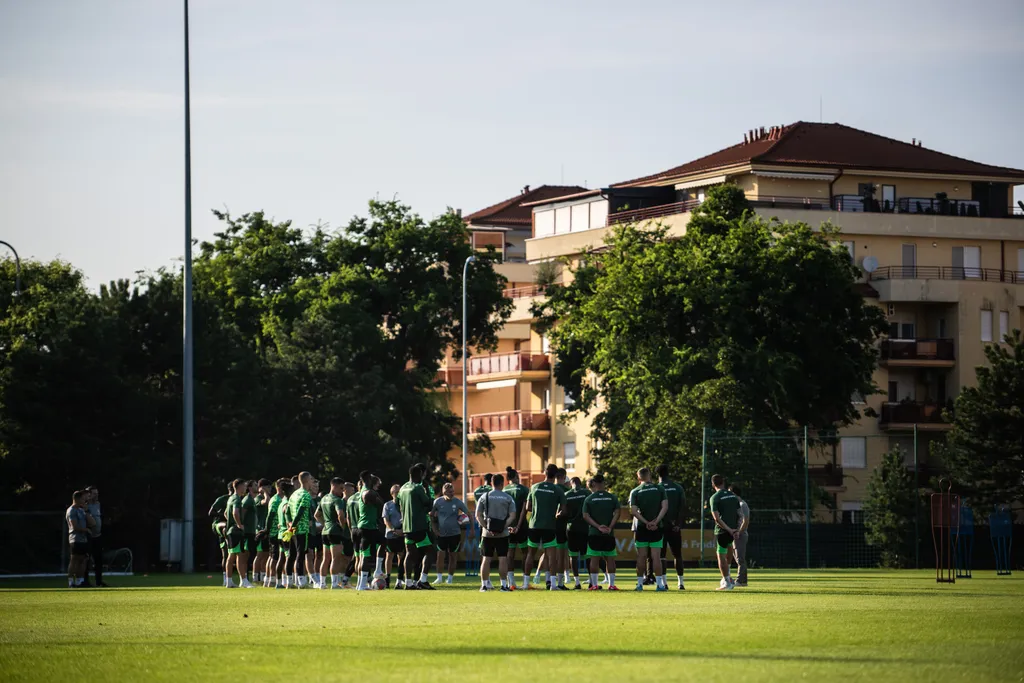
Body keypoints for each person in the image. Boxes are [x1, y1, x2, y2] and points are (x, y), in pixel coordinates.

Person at [522, 463, 566, 590]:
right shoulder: (558, 490)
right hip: (550, 526)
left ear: (545, 473)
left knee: (530, 554)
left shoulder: (534, 487)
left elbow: (527, 507)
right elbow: (563, 510)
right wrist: (555, 514)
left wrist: (537, 510)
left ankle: (525, 583)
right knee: (552, 555)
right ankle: (552, 584)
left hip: (534, 525)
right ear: (556, 475)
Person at [629, 467, 668, 592]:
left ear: (639, 477)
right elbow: (665, 507)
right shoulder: (660, 488)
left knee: (641, 556)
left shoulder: (635, 491)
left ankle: (640, 584)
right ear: (650, 475)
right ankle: (660, 585)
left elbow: (634, 511)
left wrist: (646, 522)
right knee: (656, 557)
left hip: (642, 527)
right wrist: (655, 521)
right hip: (657, 527)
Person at [475, 473, 517, 592]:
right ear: (502, 483)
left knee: (486, 558)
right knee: (503, 558)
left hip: (487, 534)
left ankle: (484, 585)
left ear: (491, 483)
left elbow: (478, 515)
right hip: (503, 533)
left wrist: (487, 528)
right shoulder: (508, 497)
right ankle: (504, 585)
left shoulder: (484, 496)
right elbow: (513, 516)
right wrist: (503, 526)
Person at [397, 463, 434, 590]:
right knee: (430, 551)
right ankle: (422, 580)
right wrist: (428, 490)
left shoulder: (402, 488)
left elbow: (397, 504)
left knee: (409, 553)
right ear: (418, 475)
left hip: (406, 527)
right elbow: (428, 504)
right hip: (418, 526)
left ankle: (408, 583)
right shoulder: (418, 488)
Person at [582, 475, 620, 590]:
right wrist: (609, 527)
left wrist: (598, 526)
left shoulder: (589, 499)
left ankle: (594, 585)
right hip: (609, 533)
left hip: (594, 533)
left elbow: (585, 516)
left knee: (594, 559)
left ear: (593, 483)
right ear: (604, 482)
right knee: (610, 559)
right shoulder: (612, 497)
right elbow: (617, 513)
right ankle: (611, 585)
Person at [431, 482, 469, 585]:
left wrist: (467, 524)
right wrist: (434, 529)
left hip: (455, 534)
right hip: (442, 534)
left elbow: (468, 514)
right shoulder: (437, 502)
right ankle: (439, 578)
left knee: (453, 556)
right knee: (440, 556)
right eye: (449, 492)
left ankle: (450, 579)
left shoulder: (458, 502)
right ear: (444, 492)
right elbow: (431, 516)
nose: (451, 494)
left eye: (452, 491)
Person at [709, 474, 741, 591]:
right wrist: (736, 529)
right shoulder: (733, 496)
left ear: (713, 484)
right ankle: (727, 578)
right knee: (729, 551)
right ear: (723, 482)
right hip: (732, 531)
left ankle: (727, 582)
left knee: (720, 555)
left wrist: (728, 529)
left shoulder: (714, 497)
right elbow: (740, 515)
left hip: (722, 531)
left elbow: (717, 518)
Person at [657, 464, 686, 590]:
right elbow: (683, 507)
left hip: (661, 526)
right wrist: (678, 524)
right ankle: (681, 583)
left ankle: (664, 583)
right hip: (675, 527)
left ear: (657, 474)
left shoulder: (656, 488)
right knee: (677, 555)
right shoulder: (678, 487)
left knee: (661, 556)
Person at [354, 471, 385, 590]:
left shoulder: (365, 491)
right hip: (367, 528)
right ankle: (371, 576)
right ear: (368, 480)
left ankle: (361, 584)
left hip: (365, 527)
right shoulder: (368, 493)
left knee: (364, 555)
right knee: (366, 556)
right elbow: (381, 505)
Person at [318, 477, 348, 589]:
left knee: (326, 558)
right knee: (336, 558)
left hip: (325, 532)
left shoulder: (324, 498)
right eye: (341, 488)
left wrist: (325, 524)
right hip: (334, 532)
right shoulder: (337, 500)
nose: (342, 491)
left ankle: (322, 583)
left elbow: (317, 515)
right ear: (334, 486)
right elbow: (340, 514)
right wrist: (342, 526)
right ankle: (334, 584)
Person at [503, 467, 529, 591]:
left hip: (508, 526)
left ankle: (511, 582)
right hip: (521, 526)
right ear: (516, 476)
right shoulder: (524, 489)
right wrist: (518, 526)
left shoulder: (504, 491)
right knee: (525, 552)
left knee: (510, 553)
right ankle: (525, 582)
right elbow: (525, 509)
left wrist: (508, 526)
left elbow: (503, 511)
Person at [287, 471, 314, 588]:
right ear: (307, 480)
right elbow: (300, 512)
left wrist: (289, 525)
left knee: (291, 555)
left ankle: (288, 581)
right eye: (312, 479)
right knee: (300, 555)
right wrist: (293, 526)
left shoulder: (294, 494)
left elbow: (287, 511)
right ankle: (302, 582)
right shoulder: (306, 495)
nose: (313, 482)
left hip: (292, 529)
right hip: (301, 529)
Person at [224, 479, 253, 588]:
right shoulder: (237, 499)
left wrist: (230, 522)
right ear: (239, 486)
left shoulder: (230, 498)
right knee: (240, 556)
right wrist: (239, 524)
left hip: (230, 530)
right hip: (236, 531)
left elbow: (226, 513)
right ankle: (243, 581)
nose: (245, 488)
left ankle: (229, 581)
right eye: (244, 486)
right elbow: (234, 512)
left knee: (231, 556)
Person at [563, 477, 590, 589]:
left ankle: (577, 582)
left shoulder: (566, 495)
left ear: (571, 483)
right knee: (587, 555)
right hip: (584, 527)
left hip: (571, 528)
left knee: (573, 556)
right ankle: (592, 582)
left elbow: (563, 511)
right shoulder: (586, 493)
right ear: (580, 483)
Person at [382, 484, 405, 590]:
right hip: (390, 535)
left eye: (399, 492)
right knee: (389, 556)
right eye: (396, 492)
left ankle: (399, 580)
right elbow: (386, 520)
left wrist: (402, 530)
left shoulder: (404, 504)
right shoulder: (387, 505)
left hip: (402, 534)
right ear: (392, 494)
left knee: (401, 556)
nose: (398, 494)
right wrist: (394, 530)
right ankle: (387, 578)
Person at [209, 484, 232, 587]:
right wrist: (222, 515)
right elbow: (211, 512)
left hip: (233, 527)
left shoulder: (240, 499)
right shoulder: (223, 499)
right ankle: (225, 579)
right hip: (219, 525)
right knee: (226, 553)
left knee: (233, 555)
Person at [84, 486, 108, 587]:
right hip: (88, 537)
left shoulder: (98, 504)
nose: (96, 495)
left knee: (99, 560)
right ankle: (85, 582)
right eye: (94, 493)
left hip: (98, 537)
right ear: (88, 494)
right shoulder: (84, 506)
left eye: (97, 493)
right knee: (86, 560)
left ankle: (99, 582)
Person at [66, 490, 90, 588]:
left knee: (83, 560)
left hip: (83, 539)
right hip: (75, 539)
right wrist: (86, 530)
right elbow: (74, 526)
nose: (84, 500)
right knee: (74, 560)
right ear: (77, 499)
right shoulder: (71, 510)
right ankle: (71, 582)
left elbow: (93, 523)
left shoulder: (81, 510)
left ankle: (80, 581)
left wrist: (86, 511)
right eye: (83, 498)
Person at [263, 479, 284, 587]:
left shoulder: (278, 499)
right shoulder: (276, 500)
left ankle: (268, 580)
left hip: (276, 532)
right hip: (275, 532)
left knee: (272, 557)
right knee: (275, 557)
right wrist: (267, 529)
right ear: (279, 487)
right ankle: (271, 580)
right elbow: (270, 516)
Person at [274, 479, 295, 588]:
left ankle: (278, 583)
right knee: (289, 558)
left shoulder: (281, 502)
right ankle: (289, 583)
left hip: (280, 533)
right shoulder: (287, 503)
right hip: (287, 534)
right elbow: (288, 522)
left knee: (281, 558)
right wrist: (292, 533)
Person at [253, 479, 272, 586]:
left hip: (266, 529)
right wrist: (264, 492)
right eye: (268, 487)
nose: (270, 489)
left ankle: (263, 576)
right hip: (260, 529)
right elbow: (267, 502)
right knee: (259, 555)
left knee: (266, 555)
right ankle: (256, 577)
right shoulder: (258, 498)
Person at [730, 485, 750, 587]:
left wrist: (739, 532)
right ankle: (743, 581)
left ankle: (740, 580)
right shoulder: (737, 505)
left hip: (741, 535)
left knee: (740, 558)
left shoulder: (742, 505)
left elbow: (745, 521)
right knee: (738, 558)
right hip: (737, 535)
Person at [240, 480, 258, 586]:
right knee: (244, 556)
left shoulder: (252, 500)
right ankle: (244, 579)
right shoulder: (247, 500)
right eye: (255, 485)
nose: (257, 487)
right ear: (250, 488)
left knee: (249, 555)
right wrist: (241, 526)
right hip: (247, 532)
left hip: (251, 532)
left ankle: (246, 579)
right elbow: (241, 514)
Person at [308, 479, 324, 588]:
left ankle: (317, 576)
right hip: (310, 530)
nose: (316, 488)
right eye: (314, 486)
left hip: (320, 530)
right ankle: (311, 577)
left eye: (317, 487)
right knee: (309, 555)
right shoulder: (306, 499)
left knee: (319, 554)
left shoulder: (320, 500)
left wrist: (322, 525)